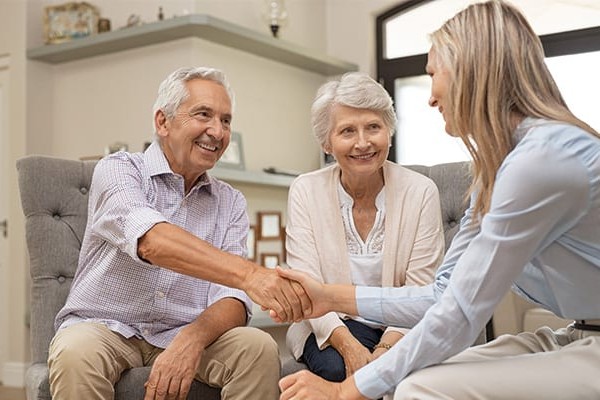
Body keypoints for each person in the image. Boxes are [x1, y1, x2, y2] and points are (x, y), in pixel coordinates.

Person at [277, 1, 600, 399]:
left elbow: (462, 312)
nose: (430, 97)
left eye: (433, 74)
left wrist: (347, 391)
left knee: (419, 388)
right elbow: (442, 293)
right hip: (576, 332)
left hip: (592, 342)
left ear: (471, 72)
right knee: (417, 376)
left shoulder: (542, 160)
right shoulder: (499, 169)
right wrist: (328, 296)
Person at [48, 67, 310, 400]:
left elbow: (231, 298)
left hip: (184, 330)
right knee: (74, 351)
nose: (216, 131)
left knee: (256, 346)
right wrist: (252, 276)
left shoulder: (230, 201)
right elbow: (151, 241)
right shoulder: (118, 169)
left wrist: (192, 338)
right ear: (162, 122)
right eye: (204, 115)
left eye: (226, 121)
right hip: (104, 328)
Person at [284, 72, 444, 383]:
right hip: (330, 324)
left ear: (389, 132)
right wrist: (351, 349)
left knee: (403, 374)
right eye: (347, 131)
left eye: (373, 127)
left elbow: (422, 291)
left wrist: (384, 350)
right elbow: (307, 285)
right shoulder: (305, 190)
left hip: (403, 325)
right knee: (336, 368)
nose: (362, 142)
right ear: (326, 142)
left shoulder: (421, 191)